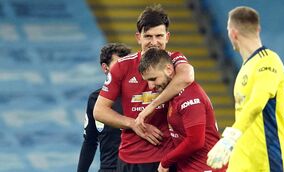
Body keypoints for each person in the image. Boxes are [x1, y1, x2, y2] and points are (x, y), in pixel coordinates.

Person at [93, 4, 194, 172]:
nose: (154, 42)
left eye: (159, 36)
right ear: (138, 37)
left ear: (167, 37)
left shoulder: (174, 60)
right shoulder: (122, 66)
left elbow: (187, 76)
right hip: (131, 159)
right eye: (148, 36)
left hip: (168, 159)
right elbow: (99, 111)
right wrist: (133, 124)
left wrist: (151, 107)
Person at [207, 6, 284, 172]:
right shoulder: (246, 68)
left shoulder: (268, 62)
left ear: (232, 33)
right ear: (258, 29)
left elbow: (257, 103)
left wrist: (229, 138)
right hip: (243, 163)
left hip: (269, 163)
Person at [137, 48, 226, 172]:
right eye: (147, 81)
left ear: (168, 69)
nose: (151, 86)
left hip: (205, 167)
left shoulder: (190, 96)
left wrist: (165, 161)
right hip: (191, 167)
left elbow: (196, 141)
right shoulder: (172, 94)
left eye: (153, 79)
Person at [77, 43, 131, 172]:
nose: (124, 70)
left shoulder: (141, 96)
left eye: (128, 65)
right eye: (119, 65)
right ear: (105, 68)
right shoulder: (95, 99)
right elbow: (90, 142)